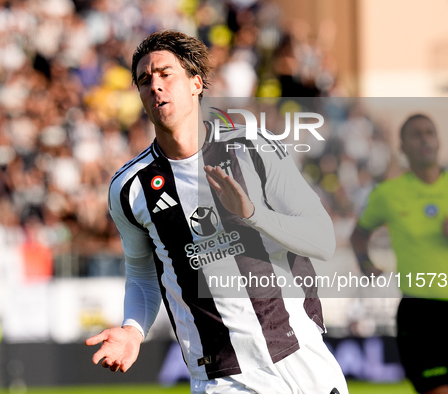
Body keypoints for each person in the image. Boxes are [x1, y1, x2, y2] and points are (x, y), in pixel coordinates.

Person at [85, 30, 348, 394]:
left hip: (301, 358)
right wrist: (133, 329)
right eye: (145, 81)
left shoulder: (255, 148)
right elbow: (143, 274)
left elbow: (323, 241)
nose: (155, 86)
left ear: (196, 83)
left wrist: (253, 214)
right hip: (224, 378)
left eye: (165, 74)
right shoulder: (130, 187)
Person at [350, 114, 448, 394]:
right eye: (416, 134)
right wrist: (366, 264)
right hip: (420, 313)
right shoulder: (388, 194)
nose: (425, 139)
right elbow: (358, 235)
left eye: (429, 132)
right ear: (402, 147)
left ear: (438, 141)